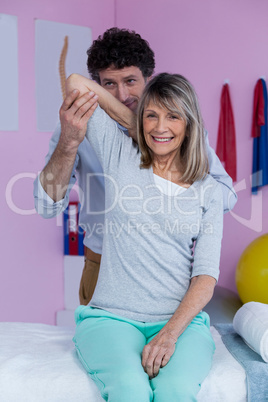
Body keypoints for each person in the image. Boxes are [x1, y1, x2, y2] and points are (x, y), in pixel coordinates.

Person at [33, 28, 237, 306]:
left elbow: (225, 195)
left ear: (149, 79)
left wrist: (145, 133)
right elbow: (47, 208)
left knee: (167, 347)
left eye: (131, 80)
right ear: (97, 86)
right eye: (109, 84)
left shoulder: (178, 130)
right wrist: (70, 142)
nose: (122, 94)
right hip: (103, 265)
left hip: (171, 269)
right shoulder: (76, 124)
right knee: (104, 348)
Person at [66, 71, 223, 401]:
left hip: (181, 324)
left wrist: (169, 334)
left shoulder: (208, 190)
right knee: (130, 390)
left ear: (189, 123)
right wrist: (139, 127)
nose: (160, 127)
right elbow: (76, 81)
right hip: (111, 319)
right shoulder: (119, 153)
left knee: (175, 391)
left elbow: (206, 277)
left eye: (172, 116)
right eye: (152, 115)